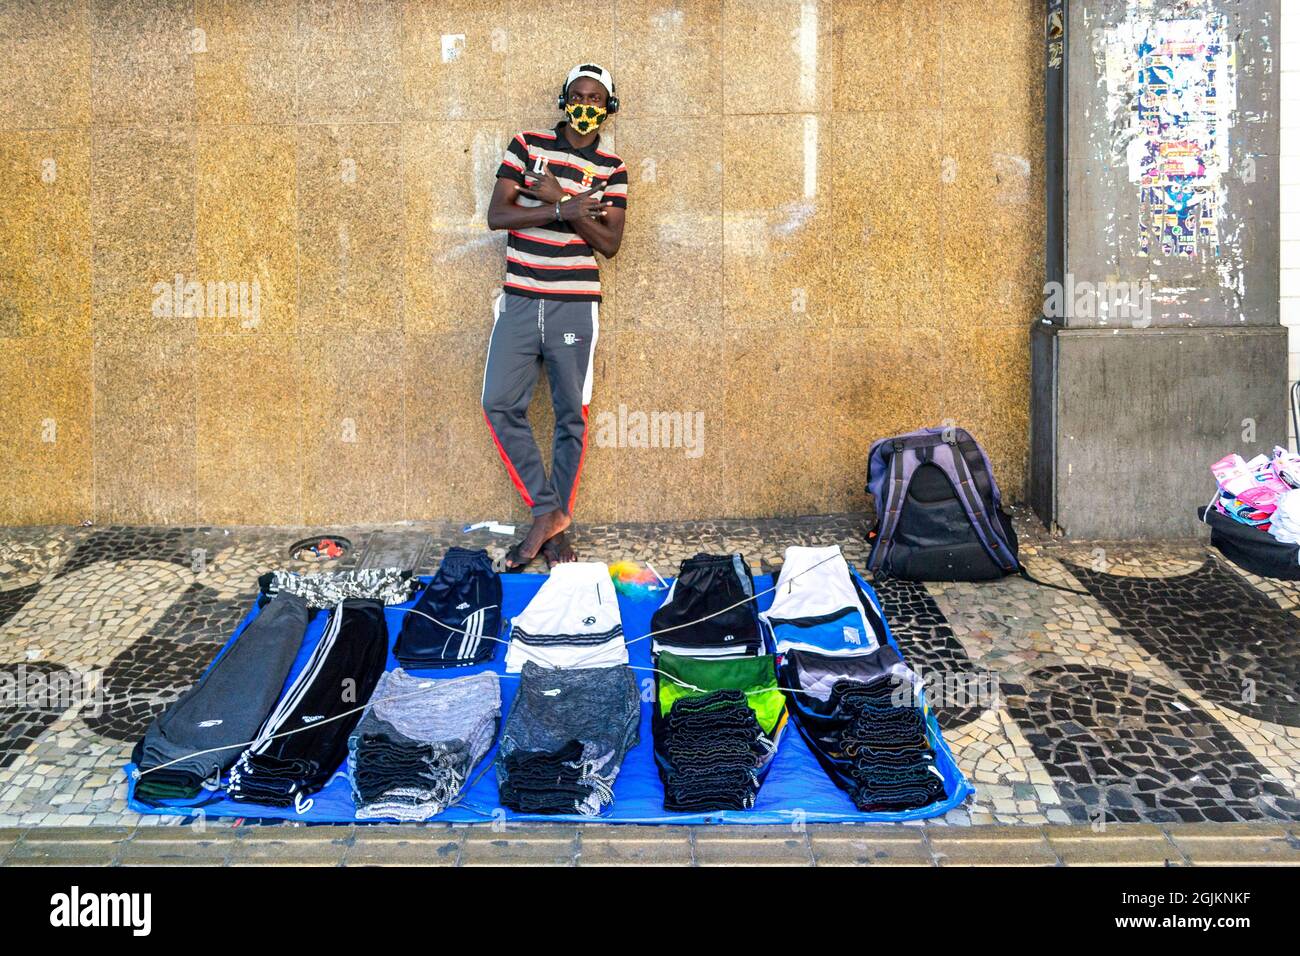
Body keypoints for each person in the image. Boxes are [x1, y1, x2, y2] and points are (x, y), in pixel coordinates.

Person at [482, 63, 628, 570]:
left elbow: (609, 243)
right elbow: (498, 216)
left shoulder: (613, 168)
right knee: (498, 402)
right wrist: (569, 210)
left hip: (575, 304)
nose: (585, 105)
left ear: (608, 107)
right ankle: (550, 512)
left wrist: (556, 198)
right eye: (577, 95)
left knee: (571, 417)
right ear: (564, 99)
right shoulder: (527, 146)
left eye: (596, 98)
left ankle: (554, 528)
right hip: (521, 297)